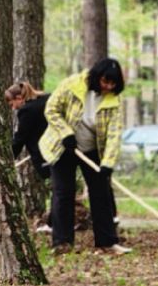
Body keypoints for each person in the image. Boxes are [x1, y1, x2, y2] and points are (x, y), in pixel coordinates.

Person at [38, 57, 129, 254]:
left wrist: (108, 163)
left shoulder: (113, 100)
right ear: (97, 77)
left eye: (113, 83)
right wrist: (65, 133)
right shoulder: (72, 85)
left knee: (101, 193)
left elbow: (114, 133)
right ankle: (62, 243)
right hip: (63, 147)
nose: (108, 86)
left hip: (92, 149)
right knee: (63, 192)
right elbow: (51, 109)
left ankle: (107, 242)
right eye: (106, 81)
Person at [4, 80, 51, 180]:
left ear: (19, 98)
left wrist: (10, 157)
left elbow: (21, 137)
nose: (13, 108)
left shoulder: (27, 111)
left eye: (12, 104)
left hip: (46, 153)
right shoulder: (47, 98)